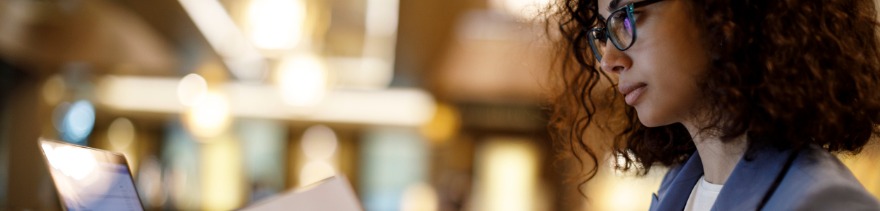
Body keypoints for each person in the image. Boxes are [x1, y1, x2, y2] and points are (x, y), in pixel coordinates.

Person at [546, 0, 880, 210]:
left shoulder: (825, 202)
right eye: (604, 32)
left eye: (627, 17)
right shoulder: (677, 190)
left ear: (722, 11)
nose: (609, 60)